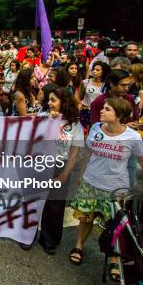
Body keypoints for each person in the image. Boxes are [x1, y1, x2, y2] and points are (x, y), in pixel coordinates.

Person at [69, 97, 143, 268]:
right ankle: (78, 246)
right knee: (85, 219)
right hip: (90, 183)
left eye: (107, 109)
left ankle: (114, 258)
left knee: (116, 226)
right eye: (103, 108)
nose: (101, 111)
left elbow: (142, 159)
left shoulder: (132, 136)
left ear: (119, 115)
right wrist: (80, 176)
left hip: (116, 190)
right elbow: (88, 153)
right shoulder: (96, 128)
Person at [31, 87, 84, 254]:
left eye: (53, 100)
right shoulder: (42, 117)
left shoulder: (75, 125)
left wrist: (64, 174)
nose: (49, 103)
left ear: (64, 102)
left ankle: (49, 239)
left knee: (55, 205)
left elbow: (74, 153)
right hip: (40, 164)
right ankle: (27, 235)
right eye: (49, 100)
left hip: (60, 166)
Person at [79, 61, 110, 129]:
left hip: (100, 113)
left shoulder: (106, 85)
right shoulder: (85, 82)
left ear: (103, 72)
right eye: (93, 69)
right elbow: (79, 98)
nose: (94, 71)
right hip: (86, 112)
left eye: (98, 70)